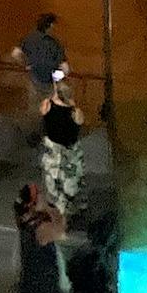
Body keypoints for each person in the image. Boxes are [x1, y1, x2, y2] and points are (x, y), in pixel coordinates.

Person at [14, 183, 71, 293]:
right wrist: (49, 208)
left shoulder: (24, 221)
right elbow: (61, 228)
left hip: (29, 287)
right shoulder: (41, 228)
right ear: (32, 204)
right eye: (39, 194)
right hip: (44, 288)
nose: (42, 195)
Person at [39, 67, 86, 219]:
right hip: (70, 152)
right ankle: (69, 209)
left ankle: (55, 208)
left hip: (53, 151)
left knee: (52, 182)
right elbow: (80, 124)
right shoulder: (76, 113)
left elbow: (43, 115)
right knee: (71, 185)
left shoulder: (46, 105)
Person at [12, 12, 67, 140]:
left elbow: (15, 54)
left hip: (33, 79)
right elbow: (65, 68)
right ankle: (49, 136)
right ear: (51, 25)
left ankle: (33, 137)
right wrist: (59, 79)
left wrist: (26, 64)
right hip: (50, 83)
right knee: (51, 110)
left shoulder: (29, 38)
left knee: (34, 109)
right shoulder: (54, 43)